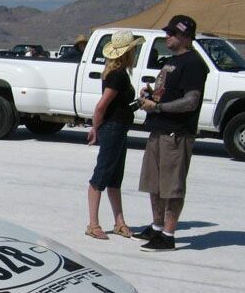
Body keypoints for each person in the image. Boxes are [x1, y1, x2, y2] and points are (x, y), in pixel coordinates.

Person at [135, 14, 208, 252]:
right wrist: (150, 96)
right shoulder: (170, 61)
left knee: (172, 187)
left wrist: (158, 107)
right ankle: (156, 228)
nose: (167, 36)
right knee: (154, 184)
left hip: (176, 134)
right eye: (167, 32)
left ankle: (168, 234)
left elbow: (191, 101)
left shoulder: (194, 64)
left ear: (185, 36)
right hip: (158, 129)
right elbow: (165, 92)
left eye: (172, 33)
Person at [84, 30, 144, 240]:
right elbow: (102, 106)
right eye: (133, 49)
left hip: (119, 128)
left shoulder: (118, 74)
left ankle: (119, 222)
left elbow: (121, 107)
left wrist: (140, 101)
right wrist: (95, 128)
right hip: (113, 129)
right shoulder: (117, 76)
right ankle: (93, 224)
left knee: (115, 178)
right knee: (101, 176)